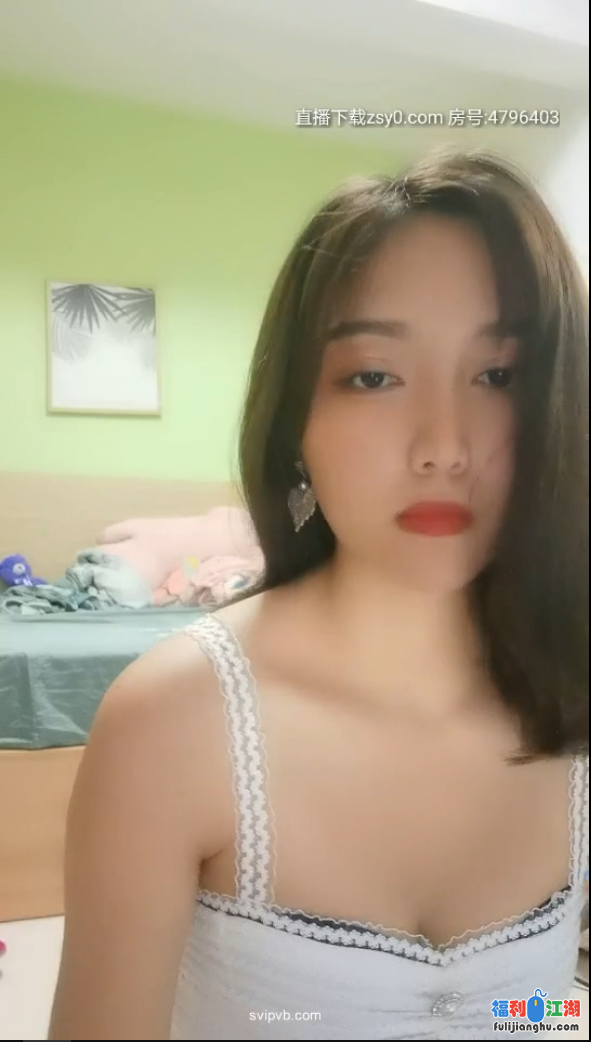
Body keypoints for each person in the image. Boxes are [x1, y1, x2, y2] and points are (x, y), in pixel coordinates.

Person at [49, 149, 589, 1041]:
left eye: (498, 375)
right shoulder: (174, 722)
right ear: (295, 422)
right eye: (374, 376)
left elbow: (540, 1012)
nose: (442, 446)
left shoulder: (569, 696)